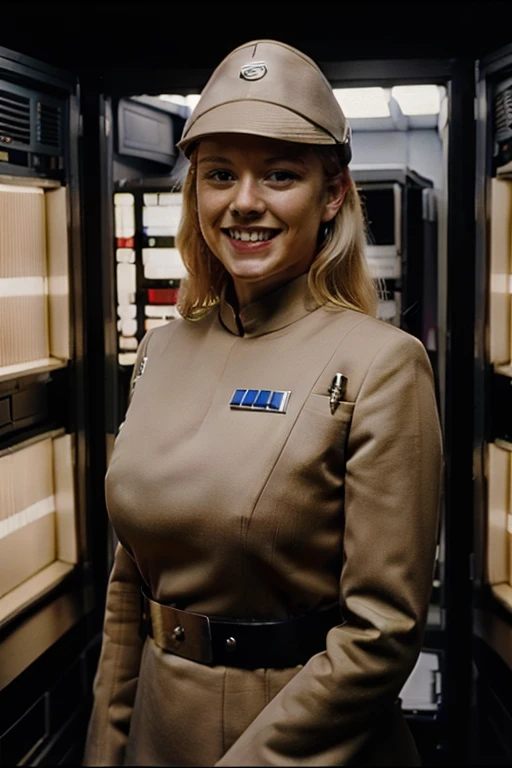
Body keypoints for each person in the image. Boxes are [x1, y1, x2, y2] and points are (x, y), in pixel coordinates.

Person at [83, 39, 443, 767]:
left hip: (300, 738)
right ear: (197, 193)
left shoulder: (382, 365)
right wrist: (107, 743)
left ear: (332, 192)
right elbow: (131, 586)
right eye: (220, 175)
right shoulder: (161, 352)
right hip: (159, 726)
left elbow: (382, 633)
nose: (244, 203)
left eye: (279, 175)